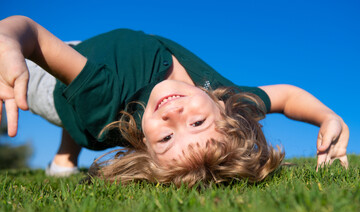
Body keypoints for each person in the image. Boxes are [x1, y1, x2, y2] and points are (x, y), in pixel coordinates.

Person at [0, 16, 349, 186]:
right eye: (197, 124)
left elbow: (31, 35)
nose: (173, 115)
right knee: (85, 101)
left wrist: (6, 39)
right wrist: (327, 116)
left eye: (166, 139)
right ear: (228, 112)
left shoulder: (107, 94)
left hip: (47, 80)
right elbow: (286, 95)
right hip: (85, 53)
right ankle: (64, 159)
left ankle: (65, 152)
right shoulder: (231, 97)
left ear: (144, 144)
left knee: (64, 99)